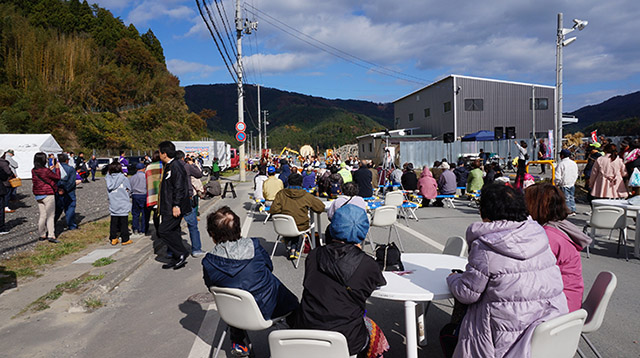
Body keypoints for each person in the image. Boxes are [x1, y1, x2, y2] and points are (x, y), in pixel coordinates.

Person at [446, 184, 568, 358]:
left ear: (485, 213)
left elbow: (467, 293)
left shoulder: (486, 245)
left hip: (505, 338)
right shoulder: (538, 235)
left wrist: (453, 278)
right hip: (548, 325)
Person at [293, 205, 389, 357]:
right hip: (346, 340)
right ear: (363, 232)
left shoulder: (314, 255)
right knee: (373, 330)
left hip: (306, 331)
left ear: (333, 228)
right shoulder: (367, 264)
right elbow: (378, 283)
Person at [202, 206, 299, 356]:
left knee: (235, 294)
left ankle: (238, 342)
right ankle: (295, 336)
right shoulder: (254, 246)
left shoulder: (208, 262)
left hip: (234, 313)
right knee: (293, 302)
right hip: (268, 307)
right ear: (238, 229)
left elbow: (210, 286)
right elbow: (269, 266)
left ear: (212, 235)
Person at [525, 183, 590, 312]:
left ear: (538, 206)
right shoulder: (559, 227)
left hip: (559, 306)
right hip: (569, 298)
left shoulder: (548, 237)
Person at [269, 173, 325, 259]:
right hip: (300, 226)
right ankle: (295, 249)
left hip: (283, 227)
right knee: (300, 224)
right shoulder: (306, 195)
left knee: (292, 223)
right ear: (301, 183)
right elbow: (320, 208)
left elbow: (273, 210)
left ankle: (292, 246)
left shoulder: (281, 194)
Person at [157, 141, 191, 270]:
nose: (159, 154)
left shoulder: (175, 166)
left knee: (163, 230)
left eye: (160, 152)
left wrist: (176, 205)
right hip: (167, 205)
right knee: (174, 230)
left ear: (164, 153)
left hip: (174, 205)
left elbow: (179, 187)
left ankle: (181, 252)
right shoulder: (169, 165)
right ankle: (176, 257)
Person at [177, 150, 205, 257]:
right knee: (192, 225)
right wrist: (192, 163)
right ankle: (196, 249)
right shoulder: (186, 166)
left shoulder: (170, 167)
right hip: (187, 197)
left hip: (175, 199)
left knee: (174, 226)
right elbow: (199, 174)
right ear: (183, 158)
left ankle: (173, 251)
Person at [32, 152, 61, 242]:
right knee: (50, 215)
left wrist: (49, 169)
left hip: (38, 194)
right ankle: (51, 235)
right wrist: (57, 169)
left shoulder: (33, 170)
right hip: (48, 194)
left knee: (42, 215)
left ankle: (42, 234)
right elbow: (57, 177)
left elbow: (44, 175)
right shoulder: (45, 171)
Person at [106, 162, 133, 246]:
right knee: (124, 223)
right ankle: (125, 239)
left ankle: (113, 238)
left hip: (113, 203)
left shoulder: (108, 178)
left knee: (114, 222)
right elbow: (129, 189)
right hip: (123, 202)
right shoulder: (123, 178)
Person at [54, 153, 78, 231]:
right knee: (70, 208)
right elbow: (71, 182)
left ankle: (52, 223)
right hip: (69, 192)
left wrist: (58, 189)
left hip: (57, 191)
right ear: (67, 160)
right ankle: (71, 225)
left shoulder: (55, 169)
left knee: (57, 208)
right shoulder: (71, 169)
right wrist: (65, 189)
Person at [555, 149, 579, 215]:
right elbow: (576, 173)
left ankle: (568, 211)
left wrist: (556, 184)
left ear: (562, 156)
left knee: (566, 198)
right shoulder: (574, 163)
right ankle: (573, 210)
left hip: (564, 184)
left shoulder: (561, 164)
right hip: (572, 183)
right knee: (571, 197)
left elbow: (558, 176)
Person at [145, 151, 163, 236]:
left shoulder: (149, 167)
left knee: (156, 214)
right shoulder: (163, 166)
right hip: (162, 193)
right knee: (164, 213)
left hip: (152, 193)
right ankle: (164, 231)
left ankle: (158, 231)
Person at [129, 163, 147, 237]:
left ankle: (135, 228)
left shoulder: (132, 177)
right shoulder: (145, 177)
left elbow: (130, 187)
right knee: (144, 213)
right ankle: (143, 229)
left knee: (135, 213)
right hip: (143, 195)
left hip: (135, 195)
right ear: (143, 169)